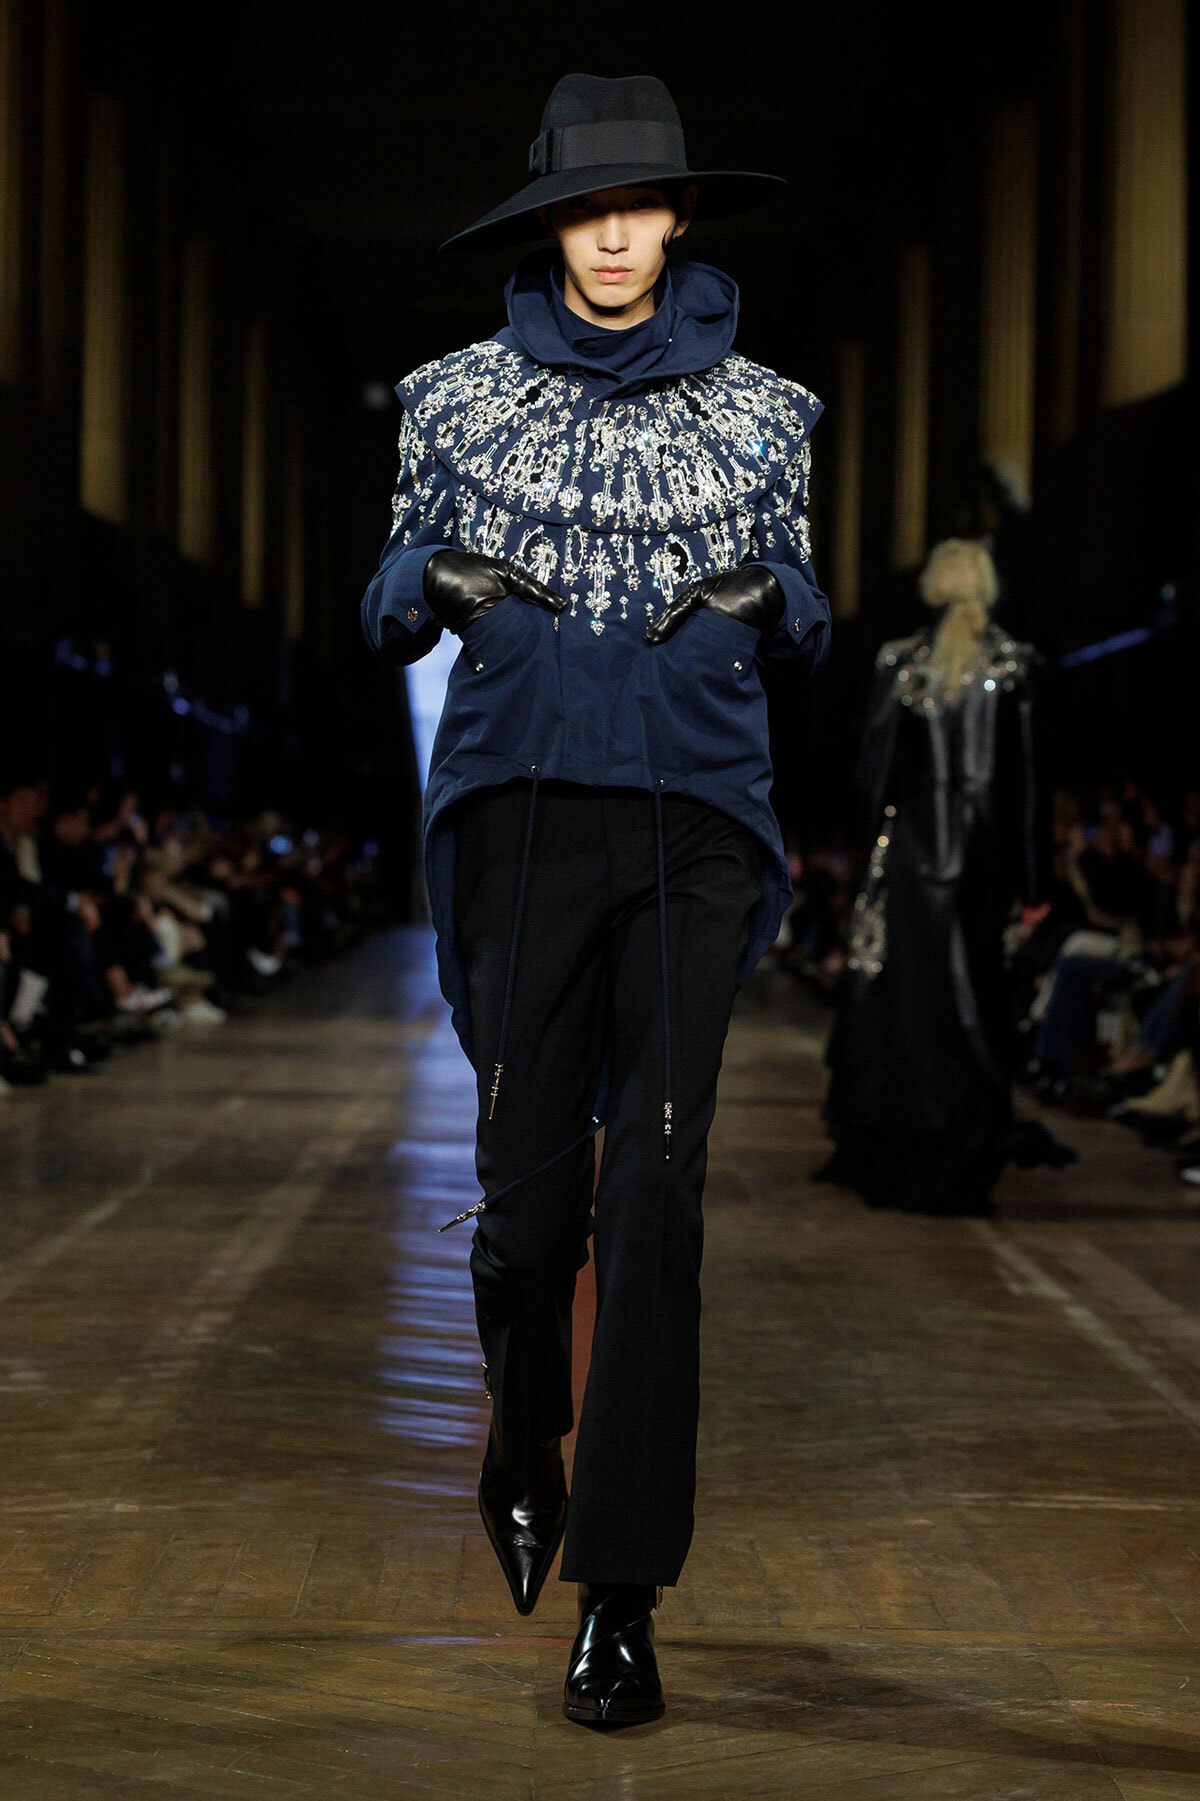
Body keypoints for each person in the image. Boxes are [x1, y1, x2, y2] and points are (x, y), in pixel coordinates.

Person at [361, 73, 829, 1727]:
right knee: (528, 1208)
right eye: (586, 208)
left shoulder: (772, 412)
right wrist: (435, 581)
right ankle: (516, 1428)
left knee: (660, 1194)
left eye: (642, 207)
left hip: (697, 819)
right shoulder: (451, 399)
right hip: (526, 821)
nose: (616, 235)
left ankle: (620, 1593)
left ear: (681, 216)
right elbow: (387, 584)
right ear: (551, 219)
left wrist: (766, 590)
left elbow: (809, 599)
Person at [821, 539, 1069, 1216]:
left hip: (909, 862)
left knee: (911, 1012)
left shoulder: (903, 664)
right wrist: (1034, 884)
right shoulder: (1014, 666)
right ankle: (965, 1152)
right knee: (975, 1011)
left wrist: (859, 870)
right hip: (981, 872)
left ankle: (906, 1149)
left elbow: (874, 776)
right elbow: (1028, 789)